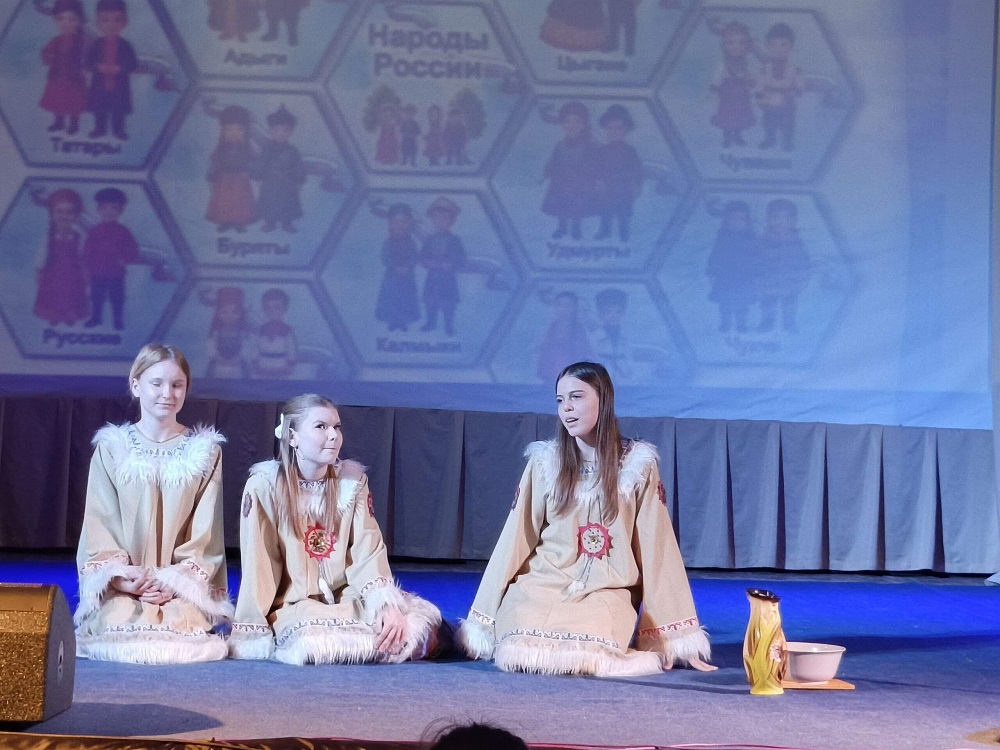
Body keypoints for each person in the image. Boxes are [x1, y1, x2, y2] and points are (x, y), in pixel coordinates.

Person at [458, 361, 714, 676]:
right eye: (560, 400)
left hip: (606, 590)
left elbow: (657, 549)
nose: (566, 408)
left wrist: (673, 638)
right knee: (523, 633)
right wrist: (482, 623)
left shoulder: (638, 465)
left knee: (594, 641)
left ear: (603, 400)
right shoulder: (545, 463)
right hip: (542, 583)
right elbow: (515, 538)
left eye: (576, 397)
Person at [229, 394, 442, 664]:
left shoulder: (352, 482)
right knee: (311, 639)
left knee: (410, 628)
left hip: (348, 597)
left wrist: (385, 604)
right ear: (292, 437)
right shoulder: (265, 486)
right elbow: (259, 562)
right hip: (295, 602)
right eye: (321, 427)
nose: (333, 435)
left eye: (337, 427)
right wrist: (252, 628)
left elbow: (368, 547)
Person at [74, 344, 232, 664]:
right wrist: (123, 579)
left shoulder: (204, 451)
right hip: (127, 584)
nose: (167, 393)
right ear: (136, 385)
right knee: (118, 619)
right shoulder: (112, 448)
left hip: (178, 586)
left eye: (177, 385)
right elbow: (99, 524)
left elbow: (206, 533)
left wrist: (174, 581)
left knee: (183, 624)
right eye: (156, 383)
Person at [82, 187, 139, 330]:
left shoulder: (123, 231)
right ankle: (96, 318)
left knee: (117, 298)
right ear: (98, 210)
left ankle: (118, 321)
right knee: (96, 297)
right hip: (97, 273)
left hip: (116, 273)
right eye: (105, 207)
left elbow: (133, 250)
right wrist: (87, 267)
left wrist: (124, 258)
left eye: (114, 208)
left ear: (121, 211)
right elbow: (87, 251)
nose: (109, 212)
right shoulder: (95, 231)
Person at [33, 188, 88, 326]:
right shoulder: (48, 236)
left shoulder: (79, 236)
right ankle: (53, 315)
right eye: (59, 212)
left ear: (76, 215)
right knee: (52, 296)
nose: (64, 216)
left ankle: (71, 315)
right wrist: (39, 270)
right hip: (53, 275)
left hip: (73, 275)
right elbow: (42, 253)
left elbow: (84, 255)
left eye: (69, 212)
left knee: (72, 295)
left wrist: (86, 273)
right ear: (52, 214)